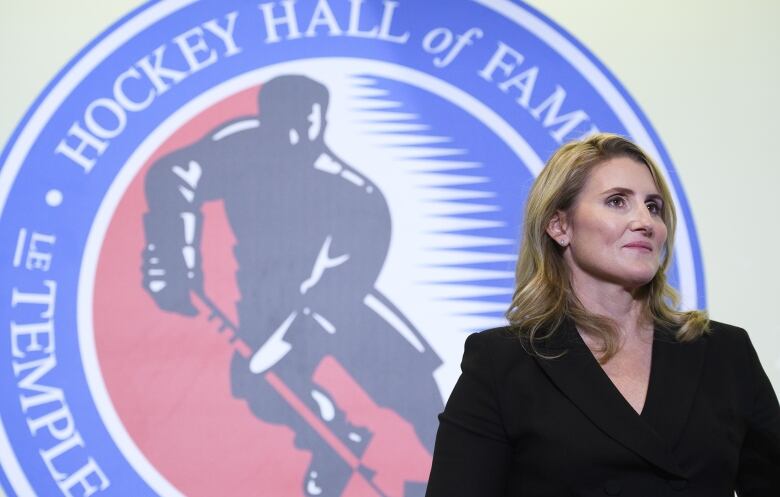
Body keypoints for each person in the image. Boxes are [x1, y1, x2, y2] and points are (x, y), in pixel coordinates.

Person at [424, 133, 780, 497]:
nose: (645, 221)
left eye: (654, 206)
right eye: (617, 201)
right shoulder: (502, 363)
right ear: (559, 226)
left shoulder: (725, 353)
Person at [142, 74, 441, 497]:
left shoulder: (357, 196)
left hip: (343, 306)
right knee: (259, 386)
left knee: (413, 387)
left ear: (321, 120)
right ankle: (335, 443)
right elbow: (172, 175)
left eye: (306, 119)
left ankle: (458, 472)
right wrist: (175, 254)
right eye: (284, 120)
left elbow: (334, 293)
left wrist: (281, 347)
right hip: (263, 305)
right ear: (267, 118)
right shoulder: (241, 150)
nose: (296, 132)